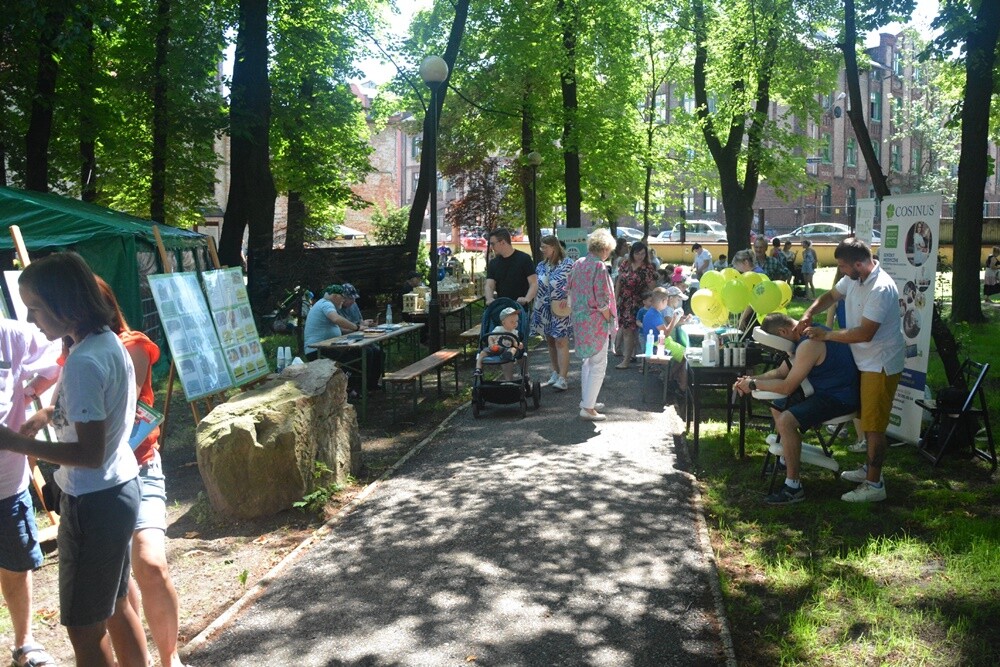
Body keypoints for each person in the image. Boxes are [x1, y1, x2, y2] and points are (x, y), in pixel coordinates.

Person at [1, 252, 147, 667]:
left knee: (85, 626)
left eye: (37, 309)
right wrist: (47, 413)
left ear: (68, 305)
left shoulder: (83, 361)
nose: (31, 321)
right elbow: (96, 411)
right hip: (118, 489)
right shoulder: (102, 342)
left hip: (93, 501)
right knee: (116, 605)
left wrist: (12, 442)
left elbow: (88, 453)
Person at [95, 278, 189, 667]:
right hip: (95, 479)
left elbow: (120, 408)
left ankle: (170, 657)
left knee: (149, 562)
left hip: (139, 467)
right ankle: (140, 658)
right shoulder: (70, 354)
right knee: (118, 578)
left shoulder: (131, 344)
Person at [797, 238, 904, 503]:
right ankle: (870, 470)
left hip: (879, 364)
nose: (841, 271)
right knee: (867, 422)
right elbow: (832, 295)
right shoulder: (855, 278)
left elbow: (866, 333)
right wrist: (808, 312)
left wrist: (827, 334)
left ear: (859, 264)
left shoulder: (881, 288)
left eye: (843, 267)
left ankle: (875, 485)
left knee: (874, 426)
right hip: (864, 361)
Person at [734, 313, 859, 504]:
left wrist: (753, 385)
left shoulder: (809, 344)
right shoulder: (803, 334)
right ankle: (787, 459)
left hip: (840, 398)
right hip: (827, 391)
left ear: (783, 332)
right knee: (778, 407)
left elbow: (787, 386)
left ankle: (794, 487)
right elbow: (781, 372)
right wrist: (752, 381)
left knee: (786, 420)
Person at [0, 320, 61, 667]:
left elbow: (57, 360)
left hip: (6, 478)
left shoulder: (12, 334)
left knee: (16, 563)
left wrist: (30, 392)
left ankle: (24, 644)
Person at [568, 229, 617, 421]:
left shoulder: (579, 263)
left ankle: (588, 400)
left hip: (580, 319)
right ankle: (588, 408)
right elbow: (602, 298)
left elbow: (569, 288)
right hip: (595, 320)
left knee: (587, 362)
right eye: (608, 251)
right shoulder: (599, 266)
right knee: (598, 363)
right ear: (605, 248)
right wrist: (608, 318)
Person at [531, 235, 574, 391]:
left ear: (554, 247)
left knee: (561, 341)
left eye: (545, 247)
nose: (542, 250)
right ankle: (555, 372)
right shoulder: (541, 266)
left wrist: (569, 297)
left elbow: (575, 285)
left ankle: (563, 377)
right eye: (541, 247)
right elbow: (537, 285)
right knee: (549, 341)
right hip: (543, 307)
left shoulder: (568, 264)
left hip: (561, 308)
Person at [613, 242, 658, 369]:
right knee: (627, 331)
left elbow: (652, 287)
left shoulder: (648, 268)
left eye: (643, 253)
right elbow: (619, 283)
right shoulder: (625, 264)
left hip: (640, 302)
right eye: (637, 253)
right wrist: (616, 299)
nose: (640, 256)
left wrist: (653, 302)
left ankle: (643, 361)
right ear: (632, 253)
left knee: (640, 332)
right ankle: (626, 360)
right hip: (625, 301)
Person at [485, 228, 537, 306]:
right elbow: (489, 285)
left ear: (502, 242)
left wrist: (527, 299)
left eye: (493, 244)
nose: (491, 247)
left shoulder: (524, 259)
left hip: (520, 309)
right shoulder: (494, 263)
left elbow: (534, 283)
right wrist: (489, 299)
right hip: (502, 309)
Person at [475, 307, 523, 374]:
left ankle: (507, 356)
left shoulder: (515, 332)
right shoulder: (499, 329)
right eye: (512, 322)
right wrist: (491, 344)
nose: (515, 323)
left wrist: (519, 344)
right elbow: (490, 337)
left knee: (513, 349)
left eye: (516, 321)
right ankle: (478, 368)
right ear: (503, 323)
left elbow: (515, 343)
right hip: (496, 347)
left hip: (507, 350)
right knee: (482, 353)